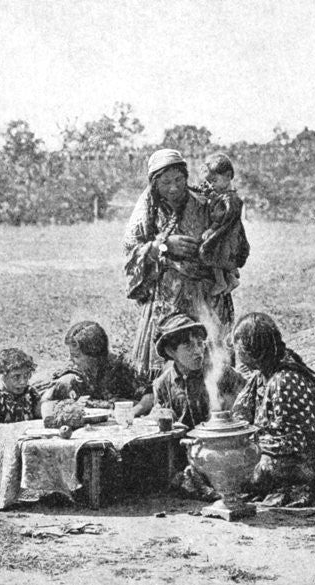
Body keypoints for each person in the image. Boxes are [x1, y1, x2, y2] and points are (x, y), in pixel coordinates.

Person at [123, 149, 250, 380]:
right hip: (169, 299)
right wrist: (163, 245)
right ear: (154, 184)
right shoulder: (149, 213)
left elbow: (235, 246)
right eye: (165, 183)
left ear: (186, 177)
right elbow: (132, 253)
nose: (173, 188)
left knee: (212, 361)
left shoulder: (205, 203)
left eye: (178, 180)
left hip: (207, 296)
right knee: (170, 359)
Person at [230, 313, 315, 507]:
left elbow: (291, 441)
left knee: (245, 476)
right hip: (282, 453)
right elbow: (240, 415)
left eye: (239, 346)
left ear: (254, 348)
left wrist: (253, 449)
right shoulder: (262, 375)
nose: (236, 351)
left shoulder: (284, 380)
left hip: (314, 458)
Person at [151, 312, 245, 429]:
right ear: (170, 351)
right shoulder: (163, 385)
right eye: (188, 346)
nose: (198, 351)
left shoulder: (221, 373)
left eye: (200, 343)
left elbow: (247, 398)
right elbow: (158, 418)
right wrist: (159, 415)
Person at [40, 321, 152, 418]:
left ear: (94, 355)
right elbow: (44, 402)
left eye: (76, 356)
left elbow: (150, 395)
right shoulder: (72, 373)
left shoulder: (120, 366)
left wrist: (133, 412)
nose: (71, 359)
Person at [196, 153, 248, 297]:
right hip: (229, 235)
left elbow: (222, 218)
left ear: (228, 176)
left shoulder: (229, 199)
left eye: (214, 181)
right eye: (209, 182)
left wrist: (212, 229)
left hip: (225, 236)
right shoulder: (224, 195)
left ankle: (221, 282)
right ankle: (230, 278)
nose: (211, 185)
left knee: (211, 252)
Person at [0, 348, 42, 439]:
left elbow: (40, 416)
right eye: (16, 377)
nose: (23, 382)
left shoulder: (30, 393)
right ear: (1, 375)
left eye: (26, 376)